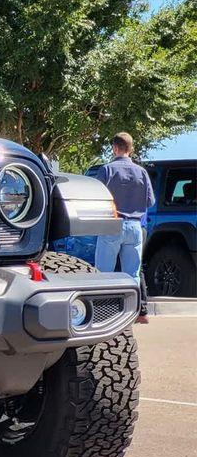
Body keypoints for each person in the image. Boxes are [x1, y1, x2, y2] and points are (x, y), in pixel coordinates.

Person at [94, 132, 155, 323]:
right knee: (132, 274)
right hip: (135, 226)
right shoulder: (142, 172)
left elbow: (96, 197)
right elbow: (150, 201)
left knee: (104, 273)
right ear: (131, 149)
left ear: (115, 148)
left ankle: (102, 313)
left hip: (112, 224)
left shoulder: (107, 170)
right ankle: (133, 313)